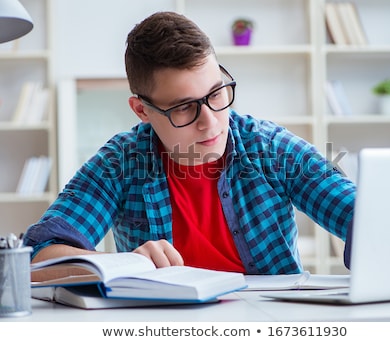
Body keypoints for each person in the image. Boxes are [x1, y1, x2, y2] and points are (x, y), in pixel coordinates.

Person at [24, 11, 355, 280]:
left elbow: (363, 217)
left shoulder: (271, 148)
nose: (210, 121)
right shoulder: (121, 161)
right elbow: (39, 254)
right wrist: (125, 265)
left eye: (216, 93)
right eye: (184, 106)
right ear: (143, 111)